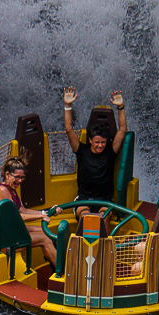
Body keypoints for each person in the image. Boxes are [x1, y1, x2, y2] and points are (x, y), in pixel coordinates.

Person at [63, 86, 127, 231]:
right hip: (84, 198)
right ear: (90, 140)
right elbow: (68, 129)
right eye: (97, 142)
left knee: (102, 219)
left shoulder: (110, 151)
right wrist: (68, 105)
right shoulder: (81, 150)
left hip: (104, 200)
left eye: (103, 142)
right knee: (86, 218)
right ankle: (80, 251)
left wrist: (120, 107)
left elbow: (122, 130)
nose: (100, 145)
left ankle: (102, 252)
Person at [0, 157, 61, 268]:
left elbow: (22, 210)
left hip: (15, 230)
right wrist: (41, 216)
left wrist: (47, 212)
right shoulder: (2, 190)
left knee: (46, 232)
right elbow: (15, 217)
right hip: (7, 239)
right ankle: (61, 272)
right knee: (45, 238)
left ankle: (55, 264)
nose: (20, 181)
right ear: (7, 175)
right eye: (17, 177)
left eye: (22, 178)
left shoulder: (11, 190)